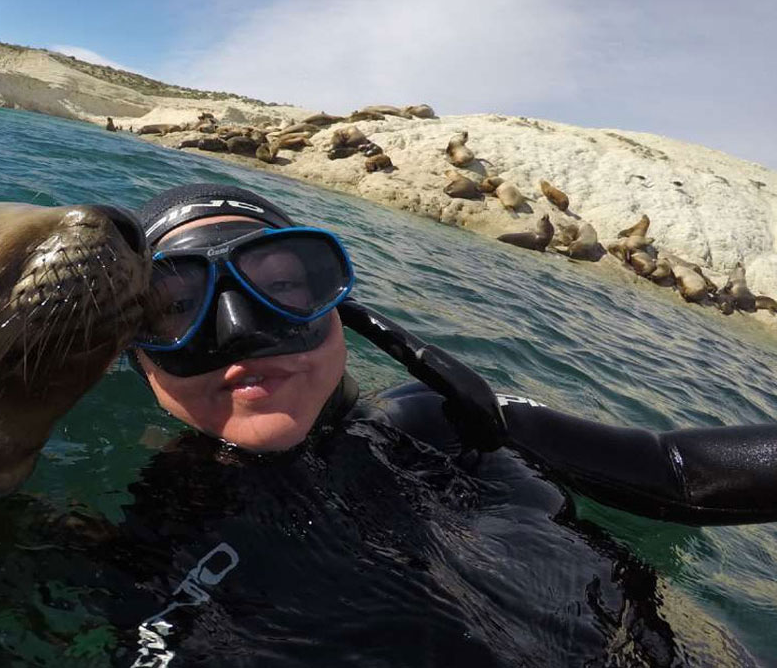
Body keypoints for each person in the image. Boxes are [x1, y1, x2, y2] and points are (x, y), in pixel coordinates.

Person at [107, 183, 777, 666]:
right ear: (138, 360)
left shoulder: (455, 422)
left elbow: (680, 473)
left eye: (280, 287)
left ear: (340, 308)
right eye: (175, 307)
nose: (242, 333)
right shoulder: (151, 531)